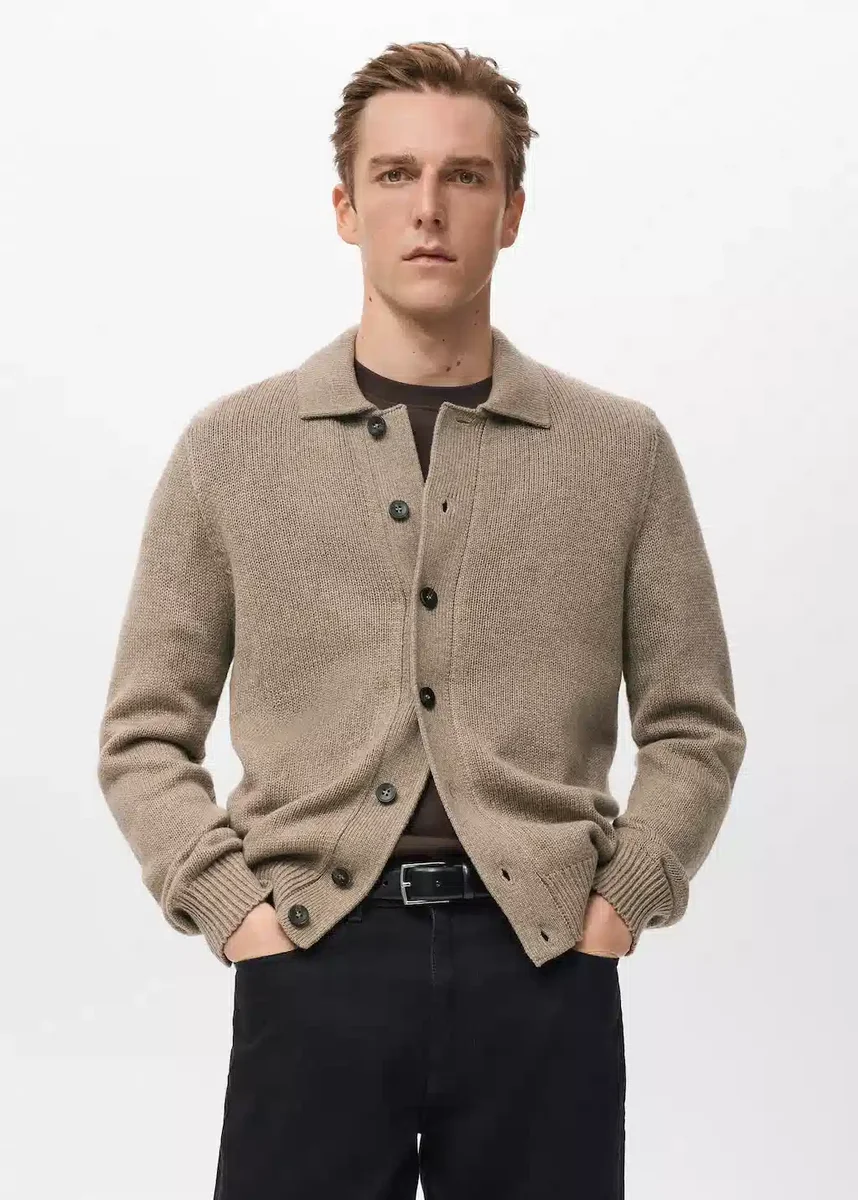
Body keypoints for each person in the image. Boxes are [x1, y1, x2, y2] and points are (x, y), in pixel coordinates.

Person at [97, 39, 747, 1200]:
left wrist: (620, 904)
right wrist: (237, 916)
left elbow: (695, 726)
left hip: (545, 966)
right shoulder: (232, 450)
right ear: (346, 209)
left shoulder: (620, 451)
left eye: (466, 176)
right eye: (395, 175)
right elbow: (144, 732)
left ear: (513, 211)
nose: (429, 208)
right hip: (310, 957)